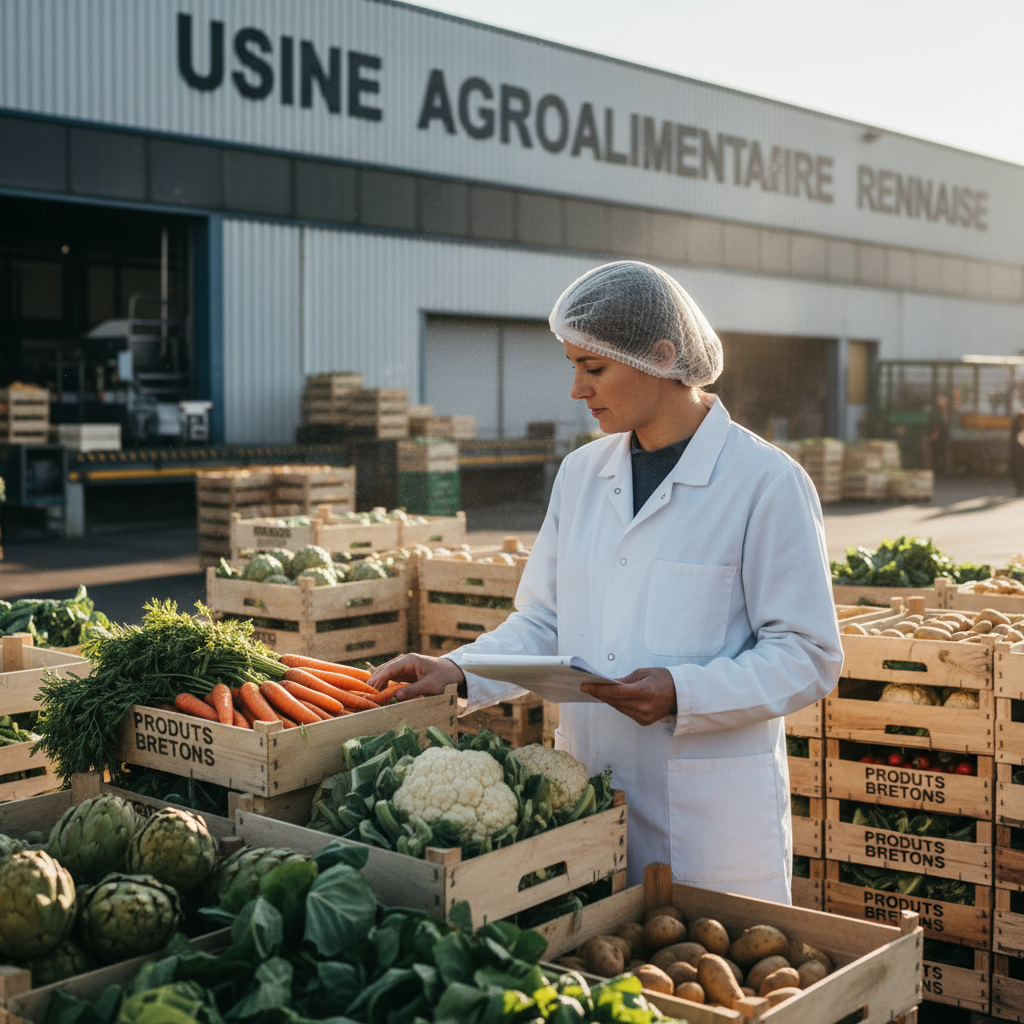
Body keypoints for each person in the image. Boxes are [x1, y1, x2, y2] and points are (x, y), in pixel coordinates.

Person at [368, 261, 843, 903]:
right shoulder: (581, 475)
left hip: (710, 826)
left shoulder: (766, 483)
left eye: (593, 368)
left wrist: (684, 692)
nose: (576, 389)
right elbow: (544, 621)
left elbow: (807, 654)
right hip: (588, 804)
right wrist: (459, 670)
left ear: (662, 356)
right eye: (573, 366)